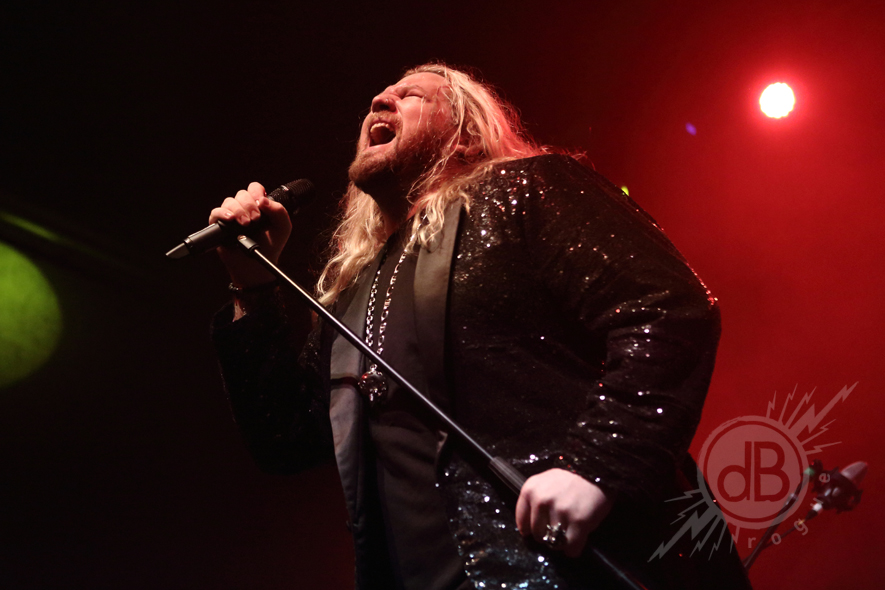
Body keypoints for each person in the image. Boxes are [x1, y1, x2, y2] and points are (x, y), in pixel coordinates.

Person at [208, 63, 751, 589]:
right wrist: (253, 288)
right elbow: (284, 440)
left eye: (411, 94)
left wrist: (597, 468)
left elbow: (667, 308)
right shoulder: (350, 290)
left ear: (465, 137)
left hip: (566, 564)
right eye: (381, 95)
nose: (380, 100)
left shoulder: (526, 189)